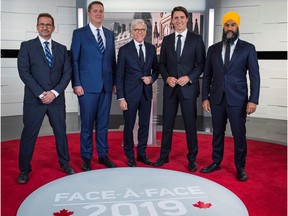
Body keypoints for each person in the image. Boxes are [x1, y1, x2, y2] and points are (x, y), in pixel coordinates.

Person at [200, 11, 260, 181]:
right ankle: (216, 161)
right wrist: (205, 97)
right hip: (217, 98)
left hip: (238, 100)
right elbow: (208, 75)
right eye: (227, 25)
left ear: (237, 27)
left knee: (238, 134)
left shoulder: (248, 48)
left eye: (232, 25)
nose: (229, 28)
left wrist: (253, 100)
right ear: (223, 27)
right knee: (217, 132)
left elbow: (254, 76)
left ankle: (240, 167)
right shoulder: (213, 49)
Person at [17, 13, 75, 184]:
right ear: (37, 27)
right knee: (29, 134)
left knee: (60, 133)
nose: (45, 27)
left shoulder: (61, 48)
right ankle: (24, 169)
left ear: (53, 28)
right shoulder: (27, 46)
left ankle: (64, 163)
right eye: (42, 24)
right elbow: (24, 73)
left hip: (56, 99)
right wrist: (42, 94)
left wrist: (54, 93)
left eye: (48, 24)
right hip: (35, 100)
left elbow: (67, 73)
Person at [153, 6, 206, 172]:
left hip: (188, 88)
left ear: (187, 19)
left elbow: (201, 64)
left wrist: (189, 77)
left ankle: (192, 159)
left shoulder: (196, 39)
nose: (179, 21)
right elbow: (161, 64)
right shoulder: (167, 40)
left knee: (190, 125)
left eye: (182, 17)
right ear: (172, 21)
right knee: (167, 124)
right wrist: (167, 76)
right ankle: (164, 156)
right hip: (170, 89)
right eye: (176, 18)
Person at [70, 1, 116, 170]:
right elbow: (74, 60)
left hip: (106, 86)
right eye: (95, 11)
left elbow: (112, 61)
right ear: (89, 14)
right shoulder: (79, 34)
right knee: (87, 124)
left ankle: (103, 155)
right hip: (87, 87)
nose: (98, 13)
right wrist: (77, 83)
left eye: (101, 11)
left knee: (103, 124)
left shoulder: (110, 35)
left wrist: (114, 83)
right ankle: (86, 157)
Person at [116, 19, 159, 167]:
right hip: (129, 95)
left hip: (146, 94)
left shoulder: (151, 48)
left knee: (144, 125)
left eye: (142, 30)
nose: (139, 32)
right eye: (137, 30)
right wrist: (121, 97)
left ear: (146, 32)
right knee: (129, 126)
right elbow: (119, 75)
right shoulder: (124, 50)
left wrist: (151, 78)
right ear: (132, 32)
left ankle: (141, 154)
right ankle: (129, 155)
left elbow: (157, 69)